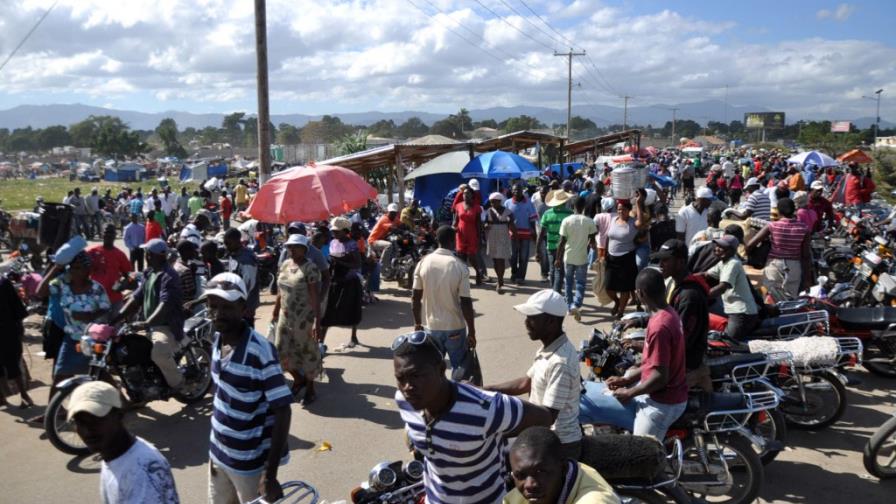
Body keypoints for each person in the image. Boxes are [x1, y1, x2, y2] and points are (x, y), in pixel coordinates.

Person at [392, 330, 553, 503]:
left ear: (441, 369)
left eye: (416, 376)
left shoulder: (486, 408)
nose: (408, 387)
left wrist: (495, 433)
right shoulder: (404, 401)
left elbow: (544, 418)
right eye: (401, 379)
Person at [203, 273, 293, 504]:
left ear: (243, 307)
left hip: (248, 463)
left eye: (226, 306)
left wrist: (270, 475)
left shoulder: (260, 351)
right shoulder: (216, 339)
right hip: (218, 453)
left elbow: (283, 410)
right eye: (213, 306)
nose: (219, 313)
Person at [486, 290, 583, 460]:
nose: (526, 323)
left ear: (551, 321)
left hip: (558, 445)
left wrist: (503, 428)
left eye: (532, 318)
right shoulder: (549, 348)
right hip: (542, 434)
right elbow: (525, 383)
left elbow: (547, 417)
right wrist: (484, 390)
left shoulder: (560, 362)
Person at [604, 268, 687, 440]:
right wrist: (627, 380)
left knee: (640, 456)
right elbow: (653, 362)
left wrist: (630, 392)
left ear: (639, 293)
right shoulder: (667, 314)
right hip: (664, 394)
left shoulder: (659, 327)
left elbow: (660, 376)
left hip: (662, 403)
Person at [67, 381, 180, 503]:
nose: (87, 431)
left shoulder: (142, 472)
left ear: (119, 415)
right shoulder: (111, 453)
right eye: (79, 422)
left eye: (95, 420)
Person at [35, 252, 111, 410]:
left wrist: (90, 315)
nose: (74, 272)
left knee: (100, 375)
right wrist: (57, 267)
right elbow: (40, 292)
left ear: (88, 270)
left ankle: (122, 403)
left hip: (93, 340)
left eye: (79, 268)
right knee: (60, 375)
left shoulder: (96, 288)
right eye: (72, 268)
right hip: (71, 339)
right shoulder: (62, 285)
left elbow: (105, 308)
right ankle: (53, 411)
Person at [113, 239, 185, 393]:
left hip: (167, 326)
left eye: (148, 253)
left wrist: (147, 323)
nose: (145, 256)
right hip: (149, 324)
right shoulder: (149, 273)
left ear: (155, 256)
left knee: (159, 351)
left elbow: (165, 304)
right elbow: (136, 298)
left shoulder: (169, 276)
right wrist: (115, 319)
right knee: (126, 349)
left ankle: (178, 384)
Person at [412, 225, 477, 379]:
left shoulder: (423, 263)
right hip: (455, 327)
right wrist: (472, 331)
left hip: (431, 327)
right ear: (453, 241)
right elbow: (466, 302)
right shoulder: (459, 266)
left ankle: (436, 398)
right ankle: (456, 399)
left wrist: (417, 323)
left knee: (433, 368)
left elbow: (415, 297)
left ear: (437, 240)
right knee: (460, 369)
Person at [651, 239, 712, 391]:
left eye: (666, 260)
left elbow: (682, 340)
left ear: (680, 262)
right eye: (660, 260)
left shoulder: (689, 296)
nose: (660, 265)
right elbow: (667, 314)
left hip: (685, 362)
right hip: (678, 355)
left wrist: (648, 348)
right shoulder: (675, 284)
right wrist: (639, 321)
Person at [504, 427, 619, 504]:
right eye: (520, 475)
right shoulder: (515, 499)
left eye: (540, 472)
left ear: (563, 468)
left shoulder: (595, 500)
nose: (530, 485)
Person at [272, 233, 322, 405]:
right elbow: (280, 291)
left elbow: (315, 296)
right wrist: (275, 310)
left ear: (304, 249)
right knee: (280, 351)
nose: (292, 250)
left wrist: (317, 321)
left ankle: (310, 389)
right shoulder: (285, 265)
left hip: (304, 319)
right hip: (285, 317)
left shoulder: (310, 268)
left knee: (306, 353)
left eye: (296, 247)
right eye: (290, 247)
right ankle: (298, 379)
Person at [747, 198, 811, 301]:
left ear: (778, 211)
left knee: (771, 298)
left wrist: (749, 255)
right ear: (794, 210)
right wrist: (807, 279)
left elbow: (750, 245)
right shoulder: (804, 228)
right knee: (790, 299)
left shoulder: (772, 226)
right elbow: (806, 256)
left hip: (774, 265)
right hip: (794, 267)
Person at [703, 235, 759, 340]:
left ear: (731, 251)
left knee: (727, 343)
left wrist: (701, 296)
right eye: (717, 245)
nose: (717, 249)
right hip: (731, 310)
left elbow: (722, 287)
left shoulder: (733, 263)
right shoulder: (723, 263)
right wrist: (687, 278)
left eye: (722, 247)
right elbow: (706, 274)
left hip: (741, 313)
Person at [321, 217, 363, 348]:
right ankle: (321, 342)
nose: (334, 234)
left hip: (349, 281)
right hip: (335, 280)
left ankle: (354, 336)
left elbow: (356, 264)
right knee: (328, 312)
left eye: (337, 232)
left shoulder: (352, 244)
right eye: (333, 231)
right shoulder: (333, 242)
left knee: (353, 310)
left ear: (345, 231)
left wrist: (339, 261)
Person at [605, 197, 646, 319]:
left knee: (625, 288)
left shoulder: (633, 223)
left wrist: (638, 203)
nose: (620, 212)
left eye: (623, 209)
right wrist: (604, 252)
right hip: (611, 258)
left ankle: (621, 312)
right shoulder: (613, 220)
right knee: (608, 287)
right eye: (618, 209)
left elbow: (641, 221)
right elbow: (608, 237)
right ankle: (617, 302)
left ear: (628, 210)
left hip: (626, 259)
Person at [557, 196, 597, 320]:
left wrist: (557, 258)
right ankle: (577, 304)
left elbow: (561, 242)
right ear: (584, 206)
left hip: (568, 257)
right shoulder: (589, 221)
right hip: (582, 258)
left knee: (568, 283)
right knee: (580, 283)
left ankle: (570, 306)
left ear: (573, 206)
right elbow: (592, 240)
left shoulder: (566, 221)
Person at [0, 274, 34, 408]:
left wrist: (19, 328)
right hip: (8, 330)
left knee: (12, 363)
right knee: (11, 363)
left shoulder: (3, 282)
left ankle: (23, 395)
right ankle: (7, 396)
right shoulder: (3, 282)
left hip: (7, 330)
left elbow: (15, 307)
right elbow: (18, 309)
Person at [86, 224, 133, 311]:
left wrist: (123, 284)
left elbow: (130, 275)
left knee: (116, 323)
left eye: (111, 233)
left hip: (115, 299)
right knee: (96, 324)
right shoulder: (92, 252)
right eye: (106, 232)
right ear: (102, 234)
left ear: (115, 235)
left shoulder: (120, 254)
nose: (109, 235)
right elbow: (82, 272)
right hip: (95, 298)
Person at [537, 190, 573, 294]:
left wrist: (537, 250)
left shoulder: (547, 214)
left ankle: (553, 291)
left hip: (551, 245)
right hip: (565, 246)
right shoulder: (570, 213)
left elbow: (541, 233)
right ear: (564, 201)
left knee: (553, 269)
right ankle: (556, 293)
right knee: (559, 271)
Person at [223, 228, 259, 326]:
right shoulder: (233, 254)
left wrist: (239, 302)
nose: (226, 246)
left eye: (228, 243)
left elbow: (249, 285)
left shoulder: (247, 259)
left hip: (244, 307)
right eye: (225, 243)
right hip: (235, 304)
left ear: (236, 241)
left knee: (245, 334)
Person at [505, 184, 538, 285]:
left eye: (518, 190)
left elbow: (532, 219)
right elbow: (504, 218)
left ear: (522, 191)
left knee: (524, 257)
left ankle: (520, 277)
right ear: (512, 191)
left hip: (526, 234)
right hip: (512, 234)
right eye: (514, 190)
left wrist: (534, 234)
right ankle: (514, 273)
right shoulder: (507, 202)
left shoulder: (529, 202)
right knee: (512, 256)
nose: (516, 192)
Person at [484, 192, 516, 293]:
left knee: (501, 260)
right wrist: (485, 225)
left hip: (503, 237)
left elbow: (512, 225)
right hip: (492, 236)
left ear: (499, 201)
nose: (492, 204)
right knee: (494, 260)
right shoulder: (489, 211)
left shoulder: (508, 212)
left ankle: (500, 280)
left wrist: (515, 236)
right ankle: (499, 277)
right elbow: (485, 223)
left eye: (494, 202)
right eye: (491, 202)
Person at [369, 203, 401, 275]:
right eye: (391, 212)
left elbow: (401, 224)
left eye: (394, 212)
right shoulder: (384, 219)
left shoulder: (395, 219)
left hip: (383, 239)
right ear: (388, 212)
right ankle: (382, 267)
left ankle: (392, 265)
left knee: (396, 246)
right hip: (373, 241)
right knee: (389, 245)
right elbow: (391, 228)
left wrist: (407, 227)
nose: (393, 214)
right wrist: (399, 230)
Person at [173, 240, 208, 305]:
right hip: (186, 305)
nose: (195, 252)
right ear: (186, 252)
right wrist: (193, 273)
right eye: (192, 250)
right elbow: (192, 292)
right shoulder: (186, 271)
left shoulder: (176, 264)